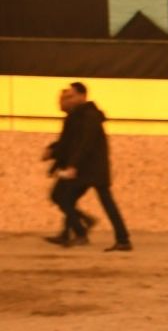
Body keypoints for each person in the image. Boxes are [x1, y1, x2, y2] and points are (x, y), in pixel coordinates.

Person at [42, 82, 132, 251]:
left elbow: (84, 143)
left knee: (66, 198)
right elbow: (69, 143)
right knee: (69, 198)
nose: (68, 100)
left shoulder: (89, 116)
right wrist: (54, 153)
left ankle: (100, 234)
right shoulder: (78, 117)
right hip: (88, 168)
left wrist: (73, 165)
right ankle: (117, 237)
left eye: (72, 96)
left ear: (83, 96)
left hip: (91, 169)